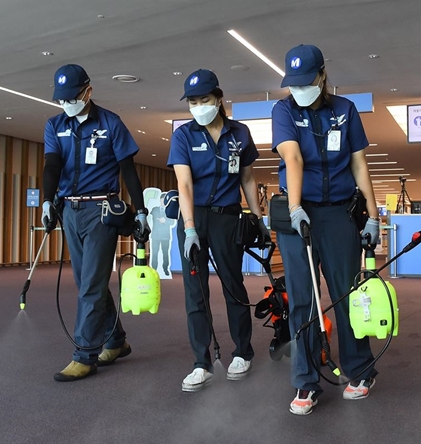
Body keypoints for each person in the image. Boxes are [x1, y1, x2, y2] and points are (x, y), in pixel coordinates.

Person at [271, 44, 381, 415]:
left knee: (347, 294)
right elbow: (293, 157)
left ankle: (360, 370)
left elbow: (359, 165)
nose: (299, 89)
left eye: (306, 81)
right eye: (294, 83)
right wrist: (296, 206)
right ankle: (306, 381)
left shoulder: (345, 110)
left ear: (322, 76)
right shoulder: (283, 110)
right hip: (297, 214)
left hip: (337, 214)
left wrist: (373, 214)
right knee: (302, 298)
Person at [42, 64, 150, 382]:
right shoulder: (55, 125)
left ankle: (84, 355)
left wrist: (141, 211)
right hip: (70, 211)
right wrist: (48, 201)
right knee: (89, 282)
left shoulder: (110, 123)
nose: (66, 104)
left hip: (102, 211)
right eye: (61, 99)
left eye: (71, 97)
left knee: (89, 285)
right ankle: (116, 340)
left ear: (88, 92)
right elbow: (52, 165)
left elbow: (128, 170)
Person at [167, 69, 268, 392]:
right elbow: (183, 183)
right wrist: (190, 227)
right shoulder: (183, 135)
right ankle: (201, 362)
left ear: (219, 99)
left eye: (204, 100)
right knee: (195, 294)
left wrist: (258, 218)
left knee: (233, 286)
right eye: (193, 102)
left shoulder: (240, 133)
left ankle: (243, 351)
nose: (198, 106)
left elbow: (248, 179)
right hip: (193, 219)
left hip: (228, 218)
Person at [149, 193, 176, 275]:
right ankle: (154, 269)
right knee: (154, 253)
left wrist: (165, 221)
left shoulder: (169, 210)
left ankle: (165, 269)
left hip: (165, 236)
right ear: (160, 200)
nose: (163, 202)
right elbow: (154, 216)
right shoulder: (155, 209)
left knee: (165, 253)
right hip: (155, 235)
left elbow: (172, 221)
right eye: (162, 200)